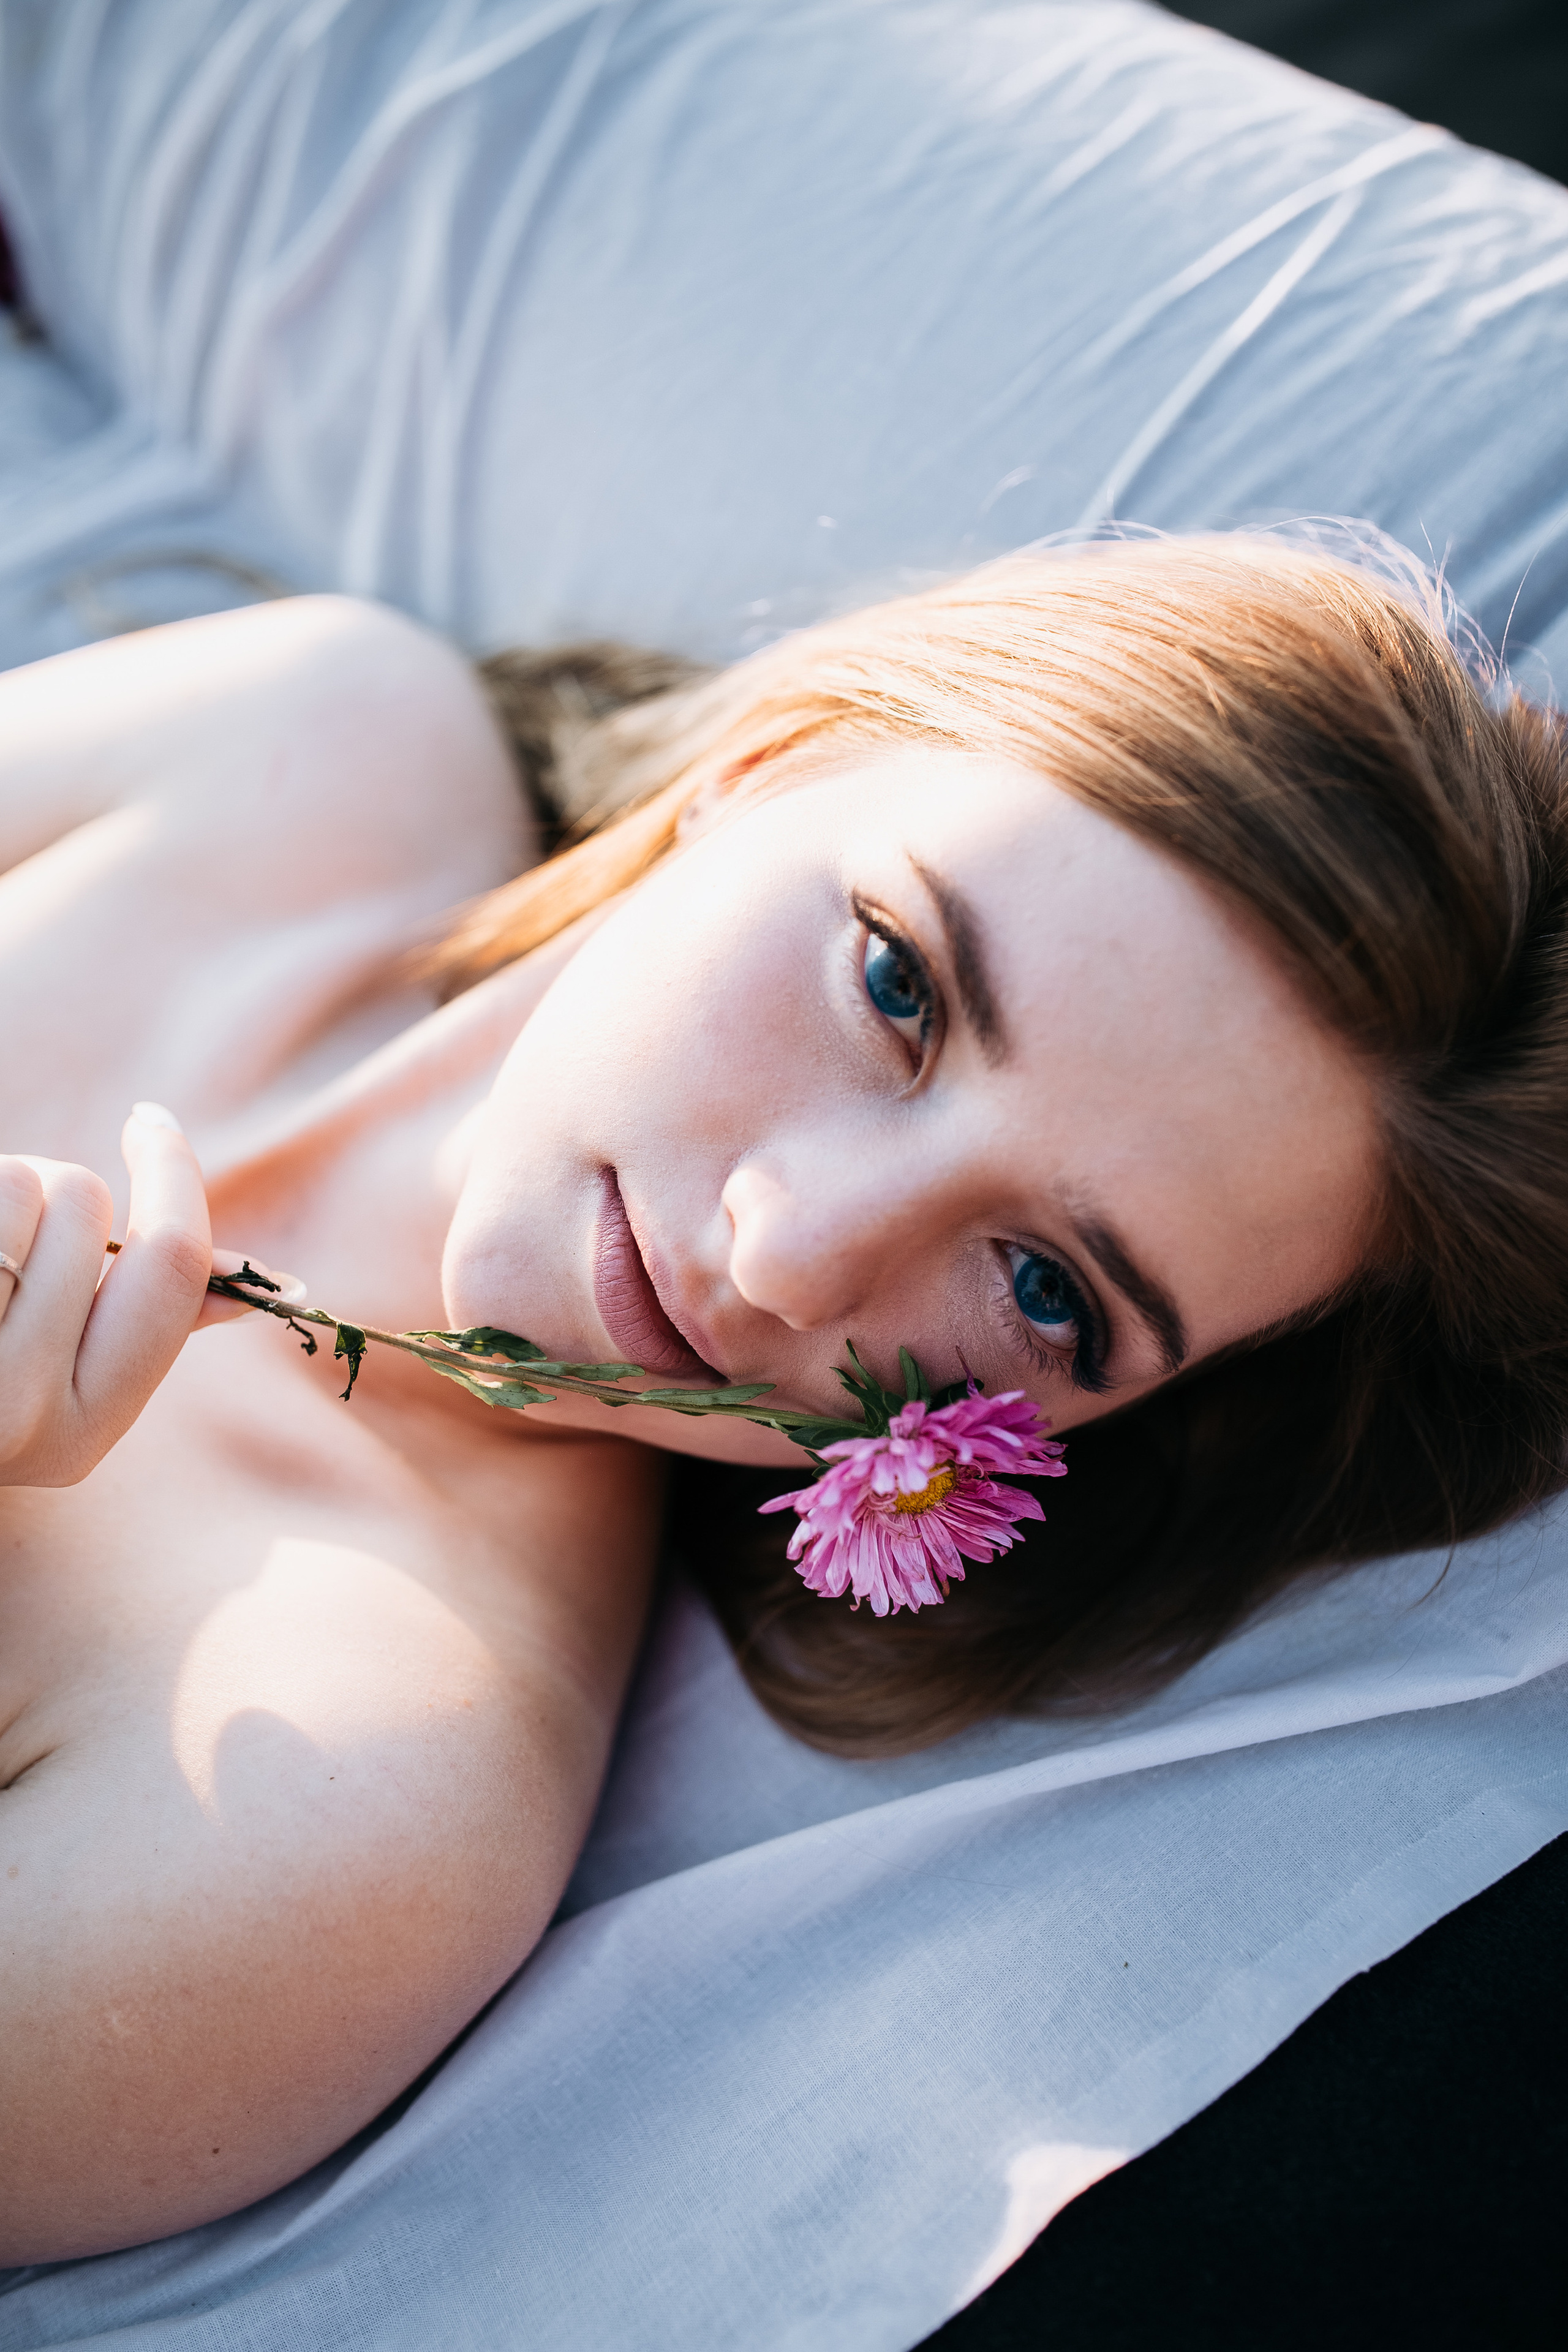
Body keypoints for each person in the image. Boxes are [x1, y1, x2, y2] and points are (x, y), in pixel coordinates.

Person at [0, 533, 1563, 2264]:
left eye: (1045, 1288)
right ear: (764, 772)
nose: (790, 1253)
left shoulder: (350, 1820)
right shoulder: (305, 736)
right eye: (896, 983)